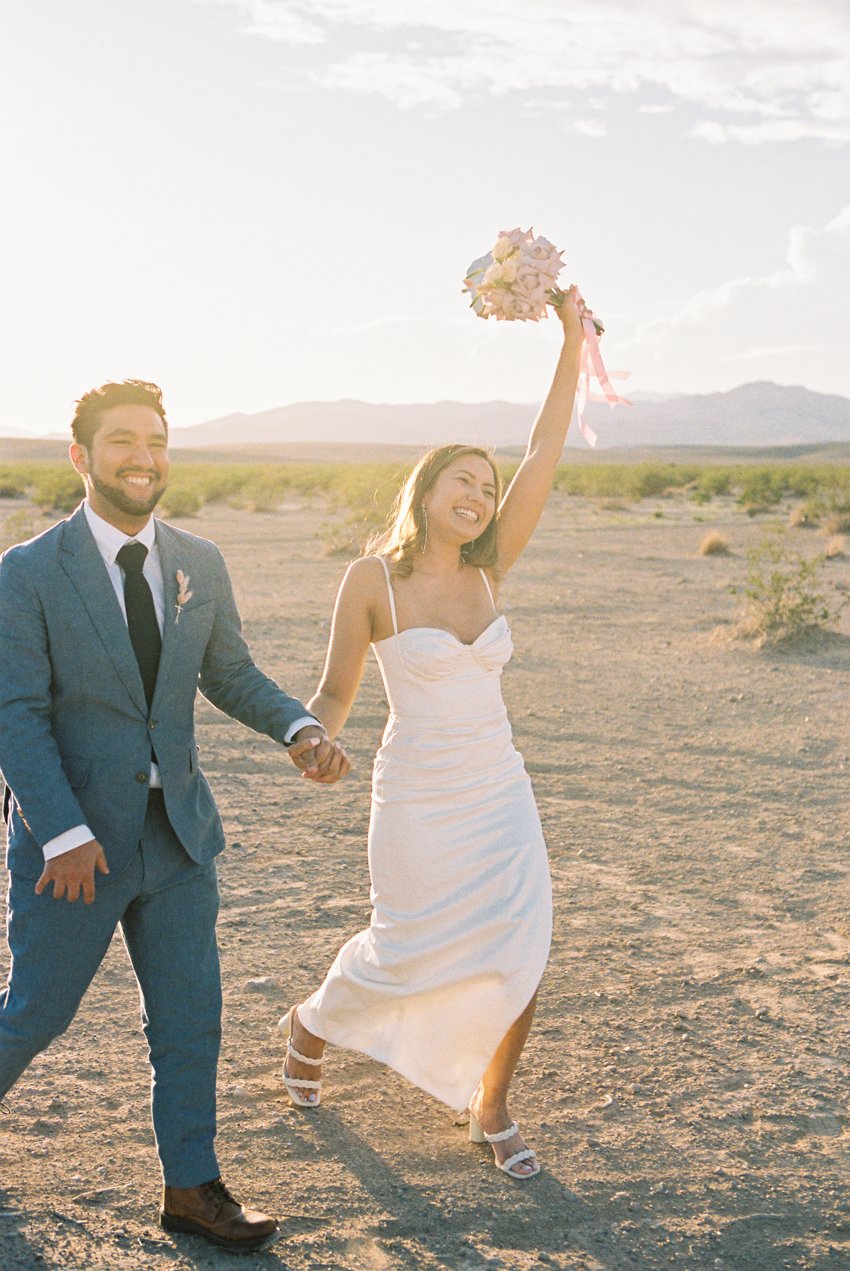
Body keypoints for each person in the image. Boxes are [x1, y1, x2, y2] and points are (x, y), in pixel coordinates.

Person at [0, 380, 349, 1251]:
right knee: (35, 1013)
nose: (142, 457)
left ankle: (192, 1187)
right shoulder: (28, 572)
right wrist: (66, 832)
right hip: (73, 849)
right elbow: (16, 713)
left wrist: (300, 727)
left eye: (155, 440)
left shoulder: (200, 559)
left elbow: (228, 671)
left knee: (191, 1018)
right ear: (81, 456)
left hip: (180, 836)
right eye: (121, 440)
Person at [279, 288, 589, 1180]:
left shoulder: (493, 569)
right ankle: (310, 1022)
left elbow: (545, 449)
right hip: (415, 795)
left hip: (498, 788)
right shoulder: (372, 578)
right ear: (428, 488)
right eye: (466, 481)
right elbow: (335, 691)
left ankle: (490, 1105)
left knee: (523, 945)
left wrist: (570, 339)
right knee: (404, 947)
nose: (483, 497)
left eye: (490, 491)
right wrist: (312, 740)